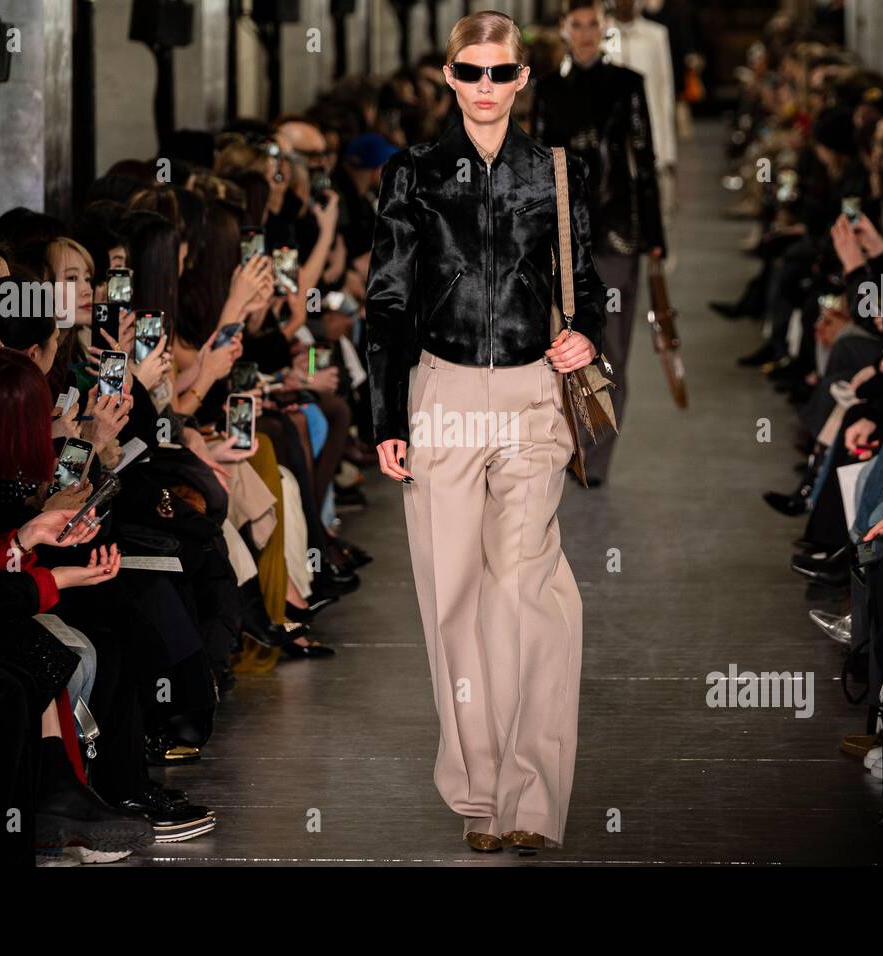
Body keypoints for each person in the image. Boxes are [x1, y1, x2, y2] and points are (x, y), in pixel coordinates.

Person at [365, 10, 608, 853]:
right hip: (439, 394)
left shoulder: (558, 172)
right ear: (449, 75)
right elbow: (387, 302)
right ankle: (479, 794)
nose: (485, 87)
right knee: (454, 600)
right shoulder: (413, 174)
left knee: (528, 592)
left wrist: (588, 336)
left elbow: (588, 284)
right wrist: (385, 417)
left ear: (522, 81)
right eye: (470, 72)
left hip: (534, 394)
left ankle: (532, 798)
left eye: (500, 73)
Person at [532, 0, 668, 486]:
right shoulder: (547, 91)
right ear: (564, 30)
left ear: (603, 28)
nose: (586, 33)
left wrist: (654, 238)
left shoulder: (628, 85)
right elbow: (539, 165)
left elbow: (644, 162)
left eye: (594, 24)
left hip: (615, 233)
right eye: (577, 25)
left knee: (608, 346)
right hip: (564, 234)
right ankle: (569, 442)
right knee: (562, 343)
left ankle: (596, 456)